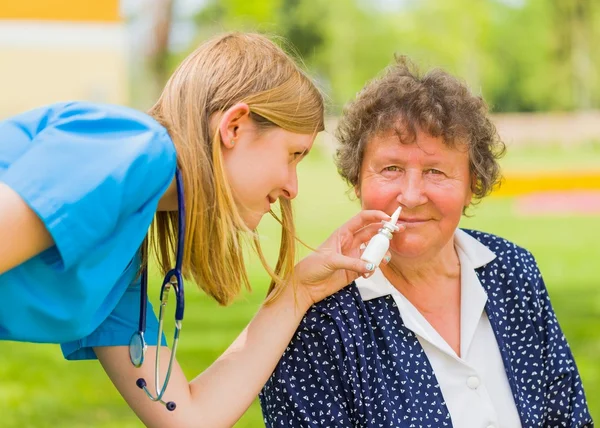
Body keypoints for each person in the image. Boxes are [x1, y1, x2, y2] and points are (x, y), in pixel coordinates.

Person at [0, 32, 395, 428]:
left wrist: (299, 291)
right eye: (292, 155)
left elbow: (189, 418)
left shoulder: (119, 256)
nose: (293, 186)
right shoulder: (134, 150)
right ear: (235, 127)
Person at [260, 57, 593, 427]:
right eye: (391, 169)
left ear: (472, 185)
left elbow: (568, 418)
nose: (412, 195)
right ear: (357, 180)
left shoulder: (513, 271)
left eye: (436, 172)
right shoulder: (318, 320)